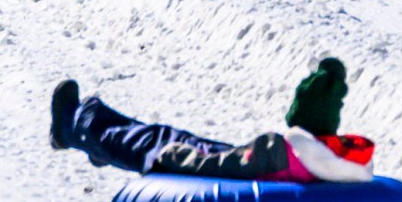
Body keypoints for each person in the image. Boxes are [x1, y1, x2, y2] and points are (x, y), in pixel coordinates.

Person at [50, 58, 376, 184]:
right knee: (174, 136)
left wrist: (172, 155)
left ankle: (73, 126)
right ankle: (98, 129)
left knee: (156, 143)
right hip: (253, 165)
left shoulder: (289, 150)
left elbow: (218, 168)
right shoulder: (341, 159)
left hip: (219, 170)